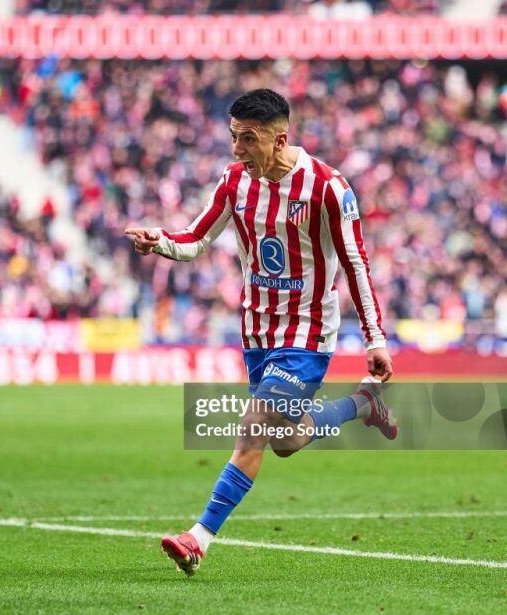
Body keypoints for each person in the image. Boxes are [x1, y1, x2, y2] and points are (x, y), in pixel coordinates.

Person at [125, 88, 397, 577]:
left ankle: (198, 538)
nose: (237, 149)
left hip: (307, 331)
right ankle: (363, 403)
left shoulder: (328, 188)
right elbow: (196, 238)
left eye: (248, 139)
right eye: (234, 137)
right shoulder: (234, 182)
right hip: (256, 330)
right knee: (286, 440)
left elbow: (356, 264)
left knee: (253, 427)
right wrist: (159, 240)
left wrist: (374, 338)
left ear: (280, 140)